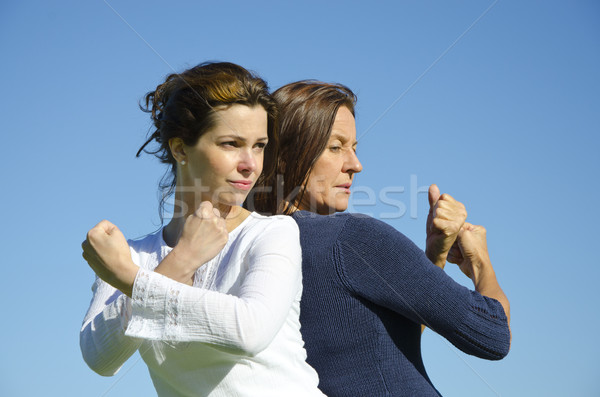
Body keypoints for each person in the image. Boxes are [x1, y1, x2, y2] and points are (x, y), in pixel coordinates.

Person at [79, 63, 325, 397]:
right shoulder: (134, 255)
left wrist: (131, 278)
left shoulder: (273, 233)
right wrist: (181, 261)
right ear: (180, 149)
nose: (250, 164)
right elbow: (100, 359)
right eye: (230, 143)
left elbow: (249, 331)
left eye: (259, 145)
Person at [267, 80, 511, 396]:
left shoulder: (253, 247)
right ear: (285, 155)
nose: (355, 165)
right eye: (336, 146)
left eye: (354, 148)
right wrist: (480, 261)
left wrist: (434, 256)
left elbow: (384, 340)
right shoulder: (352, 238)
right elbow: (492, 334)